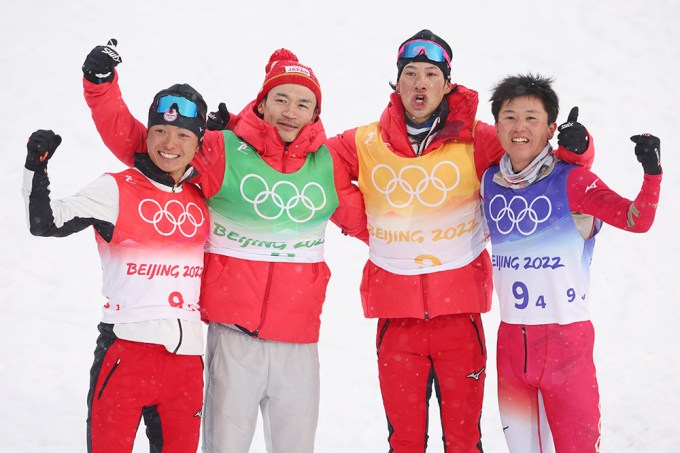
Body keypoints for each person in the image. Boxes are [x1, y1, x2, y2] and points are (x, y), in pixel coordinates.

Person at [80, 41, 367, 452]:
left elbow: (379, 218)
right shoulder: (222, 150)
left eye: (303, 103)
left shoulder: (328, 162)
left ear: (316, 113)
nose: (290, 111)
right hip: (233, 336)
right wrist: (101, 88)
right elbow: (149, 146)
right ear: (262, 103)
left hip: (300, 339)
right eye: (280, 98)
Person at [325, 30, 593, 452]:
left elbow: (532, 161)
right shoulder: (364, 141)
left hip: (459, 317)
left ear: (447, 83)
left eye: (431, 73)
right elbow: (318, 168)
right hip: (397, 320)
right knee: (405, 441)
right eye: (409, 73)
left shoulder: (478, 137)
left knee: (464, 440)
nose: (419, 82)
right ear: (397, 83)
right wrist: (369, 226)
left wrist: (579, 154)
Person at [22, 84, 211, 453]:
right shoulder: (115, 188)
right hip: (126, 352)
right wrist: (36, 168)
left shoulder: (204, 197)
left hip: (186, 365)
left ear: (199, 142)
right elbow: (44, 222)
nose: (169, 142)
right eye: (159, 130)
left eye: (183, 134)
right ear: (147, 134)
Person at [482, 73, 662, 452]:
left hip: (566, 347)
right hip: (512, 347)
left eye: (532, 117)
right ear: (496, 125)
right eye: (509, 116)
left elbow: (637, 219)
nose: (519, 127)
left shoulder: (573, 181)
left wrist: (651, 174)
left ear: (551, 129)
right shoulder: (488, 182)